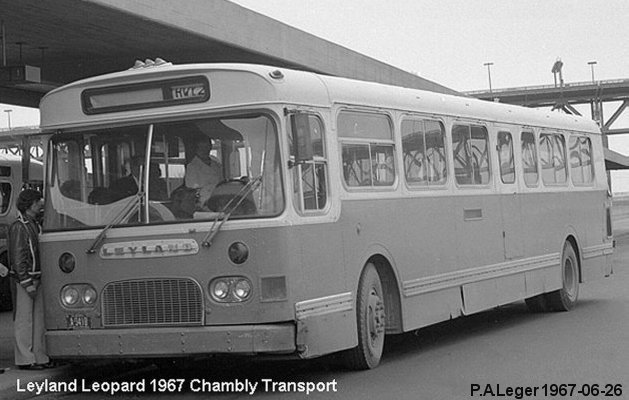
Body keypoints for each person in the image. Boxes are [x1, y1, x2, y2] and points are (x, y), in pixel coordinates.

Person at [8, 189, 53, 370]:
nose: (40, 204)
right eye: (36, 202)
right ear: (29, 205)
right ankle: (27, 358)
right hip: (25, 280)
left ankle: (36, 356)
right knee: (25, 320)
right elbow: (18, 258)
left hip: (33, 278)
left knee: (35, 320)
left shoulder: (30, 224)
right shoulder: (21, 226)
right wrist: (26, 282)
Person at [184, 137, 223, 206]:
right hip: (203, 203)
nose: (205, 149)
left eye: (207, 146)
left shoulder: (217, 165)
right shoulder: (192, 166)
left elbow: (222, 183)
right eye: (202, 146)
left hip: (219, 200)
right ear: (197, 148)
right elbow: (192, 189)